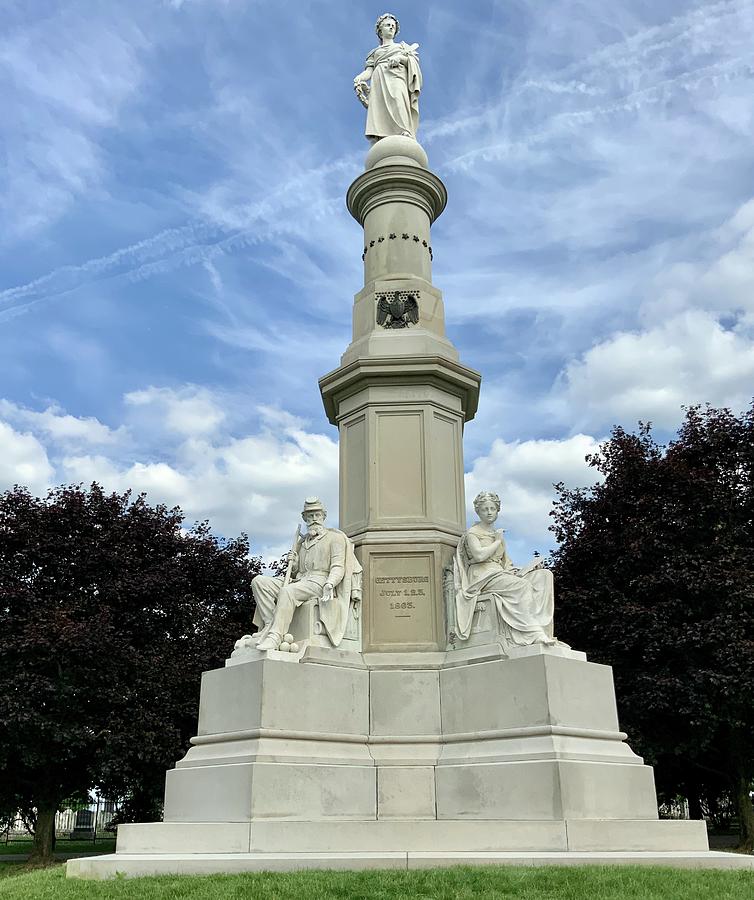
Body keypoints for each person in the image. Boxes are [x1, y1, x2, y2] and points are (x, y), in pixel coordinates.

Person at [252, 498, 361, 651]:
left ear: (324, 516)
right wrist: (294, 562)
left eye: (317, 515)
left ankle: (275, 636)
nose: (314, 519)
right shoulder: (302, 542)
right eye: (310, 516)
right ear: (304, 518)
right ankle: (270, 624)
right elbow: (297, 572)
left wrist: (330, 583)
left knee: (287, 592)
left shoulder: (335, 538)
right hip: (300, 581)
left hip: (320, 582)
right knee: (259, 582)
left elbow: (338, 567)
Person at [454, 491, 558, 651]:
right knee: (522, 586)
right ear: (478, 511)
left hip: (499, 573)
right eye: (485, 509)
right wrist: (497, 541)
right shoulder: (473, 533)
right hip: (482, 576)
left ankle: (541, 626)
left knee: (543, 576)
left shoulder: (496, 534)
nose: (489, 512)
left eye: (492, 509)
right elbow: (480, 555)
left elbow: (506, 563)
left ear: (497, 510)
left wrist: (525, 569)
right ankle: (533, 632)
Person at [353, 13, 422, 141]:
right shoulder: (374, 53)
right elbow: (369, 71)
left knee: (398, 99)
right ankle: (381, 135)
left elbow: (412, 62)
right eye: (387, 25)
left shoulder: (402, 47)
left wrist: (400, 58)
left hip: (396, 77)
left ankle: (404, 129)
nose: (391, 28)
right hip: (379, 80)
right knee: (380, 109)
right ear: (380, 30)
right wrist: (359, 78)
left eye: (393, 26)